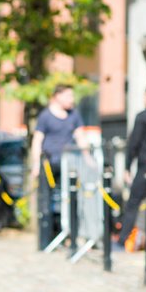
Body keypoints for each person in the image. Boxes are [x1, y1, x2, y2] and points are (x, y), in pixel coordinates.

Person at [29, 84, 90, 236]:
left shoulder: (74, 115)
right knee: (48, 199)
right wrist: (36, 164)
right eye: (69, 96)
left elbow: (81, 137)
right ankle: (49, 234)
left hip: (70, 164)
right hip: (50, 164)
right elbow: (37, 140)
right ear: (58, 96)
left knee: (72, 197)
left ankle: (71, 234)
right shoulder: (45, 116)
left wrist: (88, 160)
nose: (72, 99)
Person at [116, 84, 146, 249]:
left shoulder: (143, 117)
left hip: (145, 166)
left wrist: (127, 166)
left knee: (133, 204)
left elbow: (133, 144)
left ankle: (123, 239)